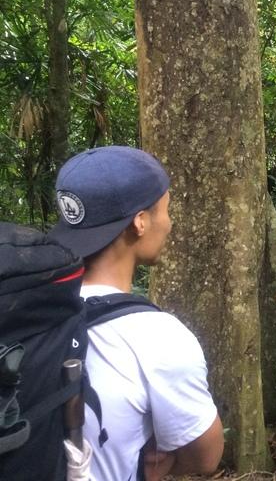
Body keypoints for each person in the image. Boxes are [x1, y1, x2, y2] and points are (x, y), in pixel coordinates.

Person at [49, 146, 223, 481]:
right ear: (140, 222)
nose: (169, 224)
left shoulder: (26, 306)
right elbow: (206, 458)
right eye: (166, 210)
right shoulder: (158, 338)